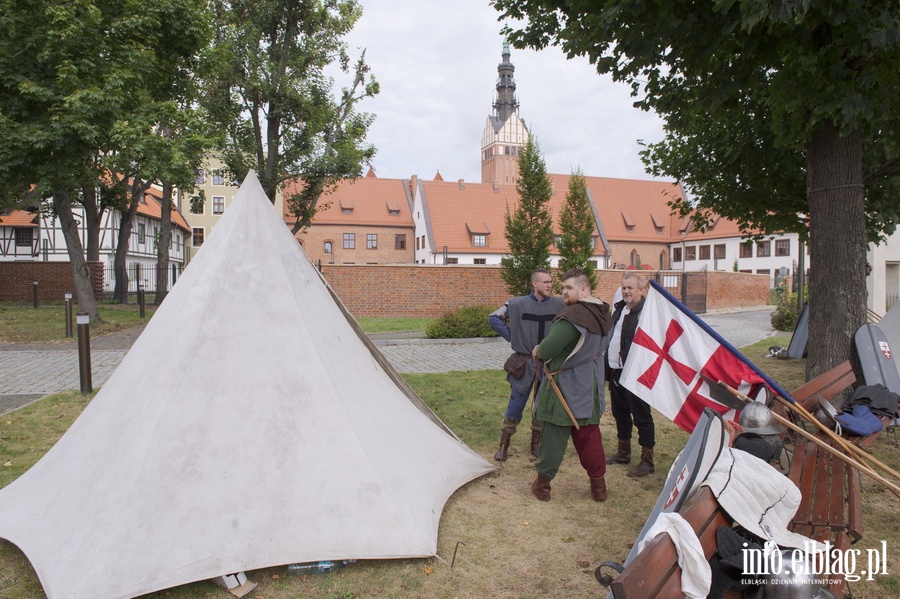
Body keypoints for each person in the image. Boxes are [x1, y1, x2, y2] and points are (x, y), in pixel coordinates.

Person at [530, 269, 612, 502]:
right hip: (591, 387)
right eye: (563, 288)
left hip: (566, 386)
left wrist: (539, 349)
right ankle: (599, 490)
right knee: (589, 436)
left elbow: (547, 349)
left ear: (584, 289)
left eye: (569, 288)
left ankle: (542, 487)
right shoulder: (603, 313)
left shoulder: (573, 317)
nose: (564, 292)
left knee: (554, 436)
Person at [488, 269, 565, 461]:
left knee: (541, 405)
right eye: (545, 282)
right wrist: (514, 339)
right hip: (524, 363)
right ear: (534, 284)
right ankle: (504, 444)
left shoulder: (560, 304)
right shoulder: (515, 304)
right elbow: (494, 318)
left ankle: (535, 444)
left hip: (547, 364)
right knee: (516, 404)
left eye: (550, 282)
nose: (549, 285)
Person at [605, 272, 655, 477]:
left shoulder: (648, 313)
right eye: (624, 287)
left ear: (640, 290)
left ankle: (647, 460)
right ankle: (623, 452)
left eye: (630, 288)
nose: (626, 291)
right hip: (616, 370)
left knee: (642, 416)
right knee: (620, 413)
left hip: (636, 373)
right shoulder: (618, 310)